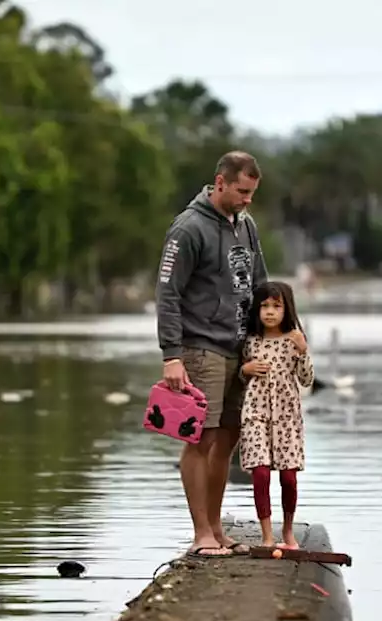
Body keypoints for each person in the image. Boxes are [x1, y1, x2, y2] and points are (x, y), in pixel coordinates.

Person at [155, 151, 269, 558]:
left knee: (228, 438)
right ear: (220, 182)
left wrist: (276, 335)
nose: (247, 200)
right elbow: (167, 294)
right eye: (242, 191)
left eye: (253, 193)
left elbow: (260, 285)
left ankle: (218, 530)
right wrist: (172, 355)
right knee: (200, 439)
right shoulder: (187, 229)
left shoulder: (246, 225)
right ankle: (201, 533)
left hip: (239, 347)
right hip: (199, 347)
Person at [237, 281, 313, 550]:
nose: (270, 312)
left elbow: (306, 380)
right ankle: (267, 535)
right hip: (256, 413)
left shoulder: (294, 340)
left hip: (287, 417)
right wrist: (245, 369)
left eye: (276, 306)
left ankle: (288, 531)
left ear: (286, 309)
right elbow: (239, 376)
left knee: (288, 478)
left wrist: (303, 351)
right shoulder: (250, 342)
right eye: (265, 306)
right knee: (260, 474)